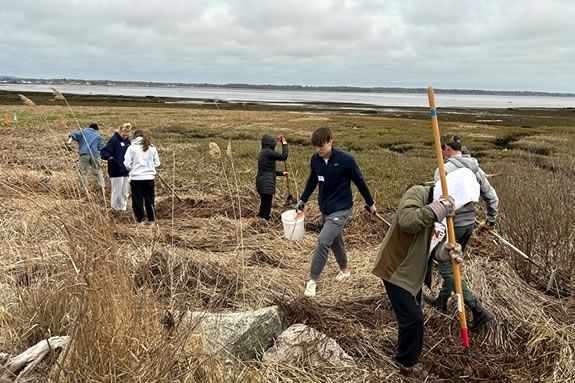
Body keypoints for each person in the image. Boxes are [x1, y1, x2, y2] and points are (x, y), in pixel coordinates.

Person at [372, 184, 459, 378]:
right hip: (396, 268)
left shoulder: (449, 214)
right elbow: (406, 221)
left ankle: (407, 360)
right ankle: (406, 365)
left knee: (411, 317)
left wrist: (444, 253)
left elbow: (432, 246)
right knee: (414, 319)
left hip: (414, 272)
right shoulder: (418, 193)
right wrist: (438, 207)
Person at [426, 134, 498, 331]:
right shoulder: (475, 168)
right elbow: (492, 197)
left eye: (443, 149)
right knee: (453, 263)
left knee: (446, 267)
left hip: (452, 225)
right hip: (468, 226)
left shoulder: (444, 170)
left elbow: (439, 202)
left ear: (448, 148)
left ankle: (477, 310)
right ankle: (442, 299)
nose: (441, 153)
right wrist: (491, 220)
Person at [295, 127, 376, 297]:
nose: (318, 150)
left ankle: (312, 280)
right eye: (315, 146)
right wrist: (303, 200)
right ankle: (345, 271)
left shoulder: (346, 160)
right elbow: (312, 180)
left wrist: (370, 203)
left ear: (330, 141)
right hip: (325, 208)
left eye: (321, 146)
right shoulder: (315, 160)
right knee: (335, 240)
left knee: (323, 240)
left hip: (342, 208)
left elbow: (360, 182)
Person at [123, 129, 160, 225]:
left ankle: (141, 219)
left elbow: (127, 164)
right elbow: (157, 163)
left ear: (135, 137)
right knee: (150, 198)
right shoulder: (152, 147)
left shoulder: (131, 148)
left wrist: (133, 169)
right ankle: (152, 219)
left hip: (136, 178)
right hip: (149, 178)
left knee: (137, 199)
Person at [255, 134, 288, 220]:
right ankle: (264, 221)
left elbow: (269, 171)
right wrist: (284, 143)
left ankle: (260, 218)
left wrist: (282, 173)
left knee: (264, 202)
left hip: (262, 181)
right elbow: (284, 156)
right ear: (269, 143)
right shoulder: (268, 152)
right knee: (267, 203)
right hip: (267, 182)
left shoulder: (264, 153)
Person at [100, 123, 132, 211]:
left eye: (127, 135)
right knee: (117, 191)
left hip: (126, 170)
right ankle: (115, 208)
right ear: (120, 131)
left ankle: (123, 208)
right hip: (116, 171)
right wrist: (111, 159)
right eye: (123, 134)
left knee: (125, 191)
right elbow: (104, 153)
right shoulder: (114, 140)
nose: (125, 136)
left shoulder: (128, 142)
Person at [67, 123, 105, 191]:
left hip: (84, 154)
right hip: (95, 155)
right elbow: (101, 147)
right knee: (98, 171)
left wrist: (69, 141)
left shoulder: (83, 131)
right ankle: (102, 187)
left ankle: (84, 190)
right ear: (96, 129)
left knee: (83, 172)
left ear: (89, 127)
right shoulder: (98, 135)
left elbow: (73, 135)